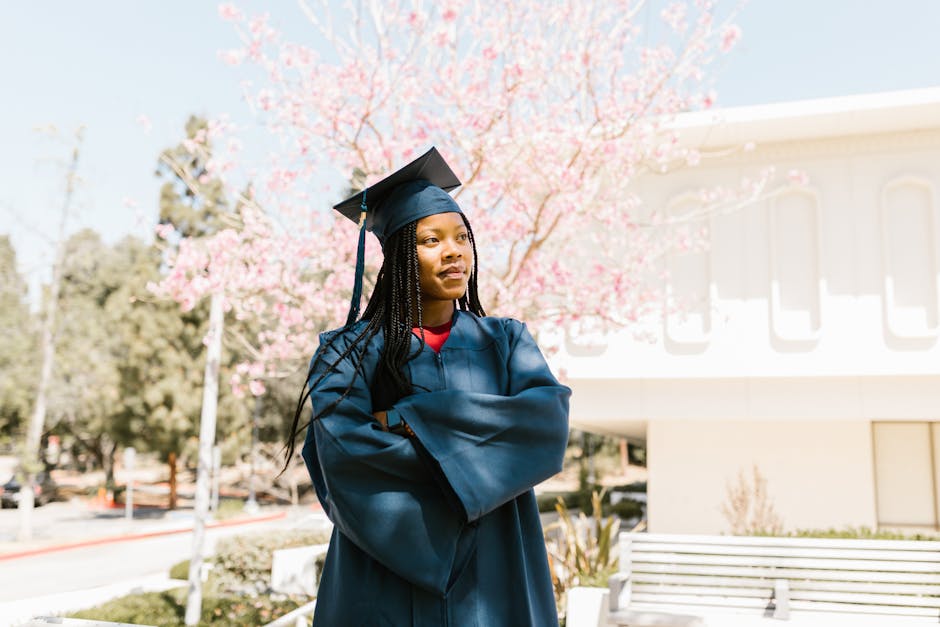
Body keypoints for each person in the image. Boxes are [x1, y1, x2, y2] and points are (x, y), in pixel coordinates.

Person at [284, 147, 571, 626]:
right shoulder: (346, 353)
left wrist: (410, 420)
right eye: (431, 240)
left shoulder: (506, 341)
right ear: (399, 256)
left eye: (462, 237)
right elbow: (344, 456)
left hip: (495, 567)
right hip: (383, 575)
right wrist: (478, 462)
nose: (454, 251)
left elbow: (545, 426)